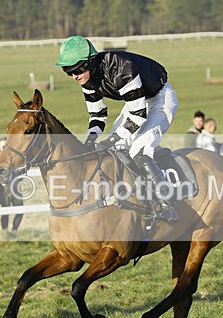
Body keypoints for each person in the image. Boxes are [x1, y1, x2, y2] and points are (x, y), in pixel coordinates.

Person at [55, 35, 179, 222]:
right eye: (68, 71)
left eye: (76, 69)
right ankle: (133, 196)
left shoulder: (121, 68)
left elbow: (138, 115)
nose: (74, 76)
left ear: (89, 62)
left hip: (160, 100)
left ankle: (166, 203)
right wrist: (91, 139)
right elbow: (97, 114)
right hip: (135, 102)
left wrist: (111, 139)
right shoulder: (87, 80)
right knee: (114, 150)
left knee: (139, 149)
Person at [0, 137, 24, 239]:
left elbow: (22, 169)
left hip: (15, 188)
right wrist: (0, 182)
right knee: (5, 211)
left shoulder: (15, 157)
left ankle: (14, 231)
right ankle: (4, 231)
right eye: (2, 146)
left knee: (20, 210)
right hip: (3, 189)